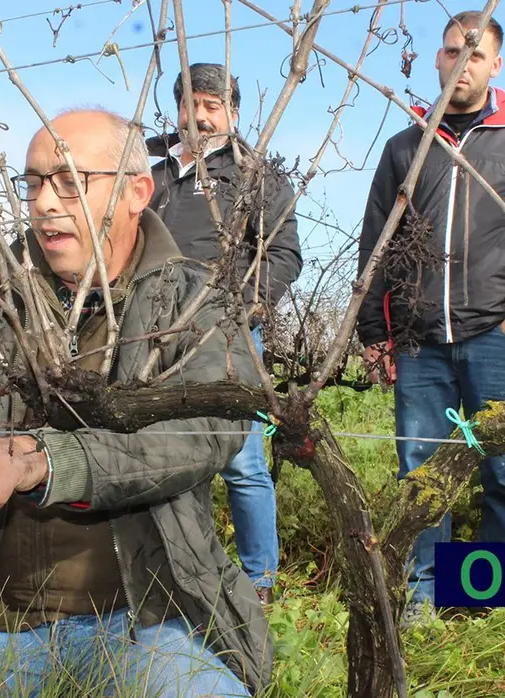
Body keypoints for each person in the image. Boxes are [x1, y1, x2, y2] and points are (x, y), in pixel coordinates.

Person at [0, 109, 270, 697]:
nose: (43, 202)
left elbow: (202, 434)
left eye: (68, 182)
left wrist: (43, 460)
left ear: (137, 192)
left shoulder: (196, 303)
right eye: (33, 183)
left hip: (157, 618)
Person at [356, 11, 505, 623]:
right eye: (452, 51)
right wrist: (376, 332)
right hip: (419, 342)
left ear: (495, 65)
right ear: (438, 58)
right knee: (421, 472)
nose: (462, 64)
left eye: (475, 54)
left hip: (499, 336)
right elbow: (376, 242)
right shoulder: (407, 145)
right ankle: (424, 600)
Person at [146, 63, 304, 603]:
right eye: (193, 103)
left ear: (233, 114)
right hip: (154, 340)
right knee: (167, 455)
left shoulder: (255, 174)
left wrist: (247, 309)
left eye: (214, 105)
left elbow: (284, 253)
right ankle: (182, 569)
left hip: (227, 335)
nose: (202, 114)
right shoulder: (154, 176)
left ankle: (259, 581)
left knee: (243, 462)